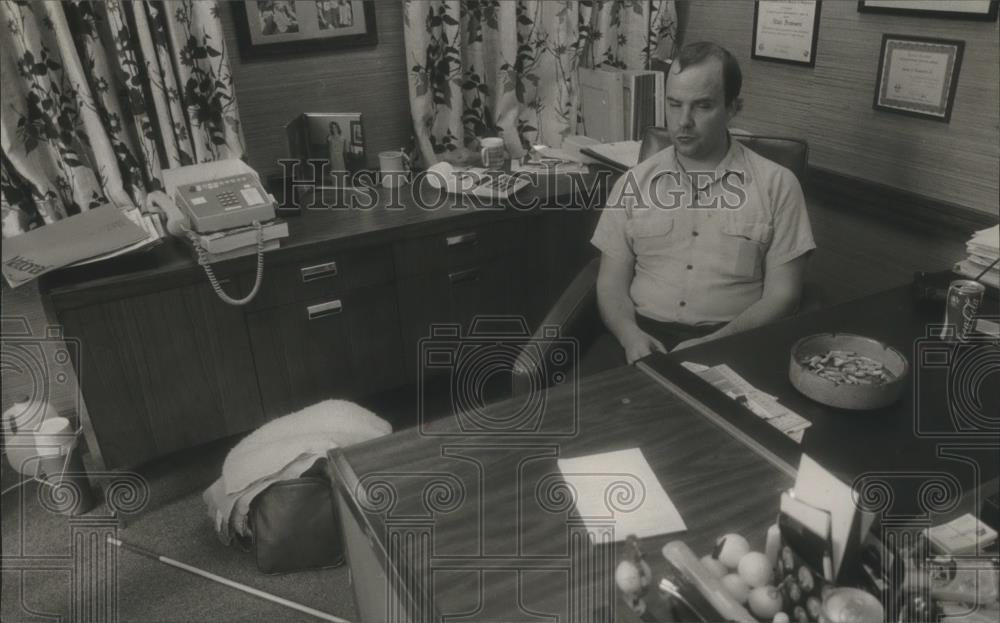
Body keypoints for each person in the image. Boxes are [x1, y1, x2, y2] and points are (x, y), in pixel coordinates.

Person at [587, 41, 815, 370]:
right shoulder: (634, 182)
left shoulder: (778, 185)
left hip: (734, 342)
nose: (683, 121)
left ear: (734, 107)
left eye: (702, 106)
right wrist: (629, 335)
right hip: (639, 338)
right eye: (674, 104)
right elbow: (610, 282)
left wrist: (713, 343)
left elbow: (784, 296)